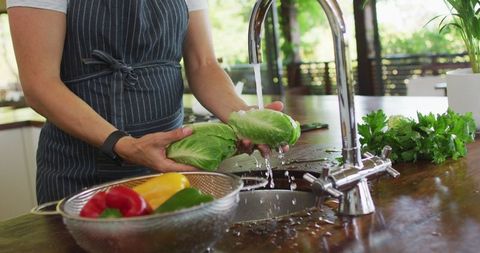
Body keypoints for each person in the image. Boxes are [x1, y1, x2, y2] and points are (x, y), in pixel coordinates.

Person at [7, 0, 286, 204]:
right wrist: (124, 144)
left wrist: (246, 118)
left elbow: (203, 65)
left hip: (171, 165)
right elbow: (40, 84)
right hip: (80, 174)